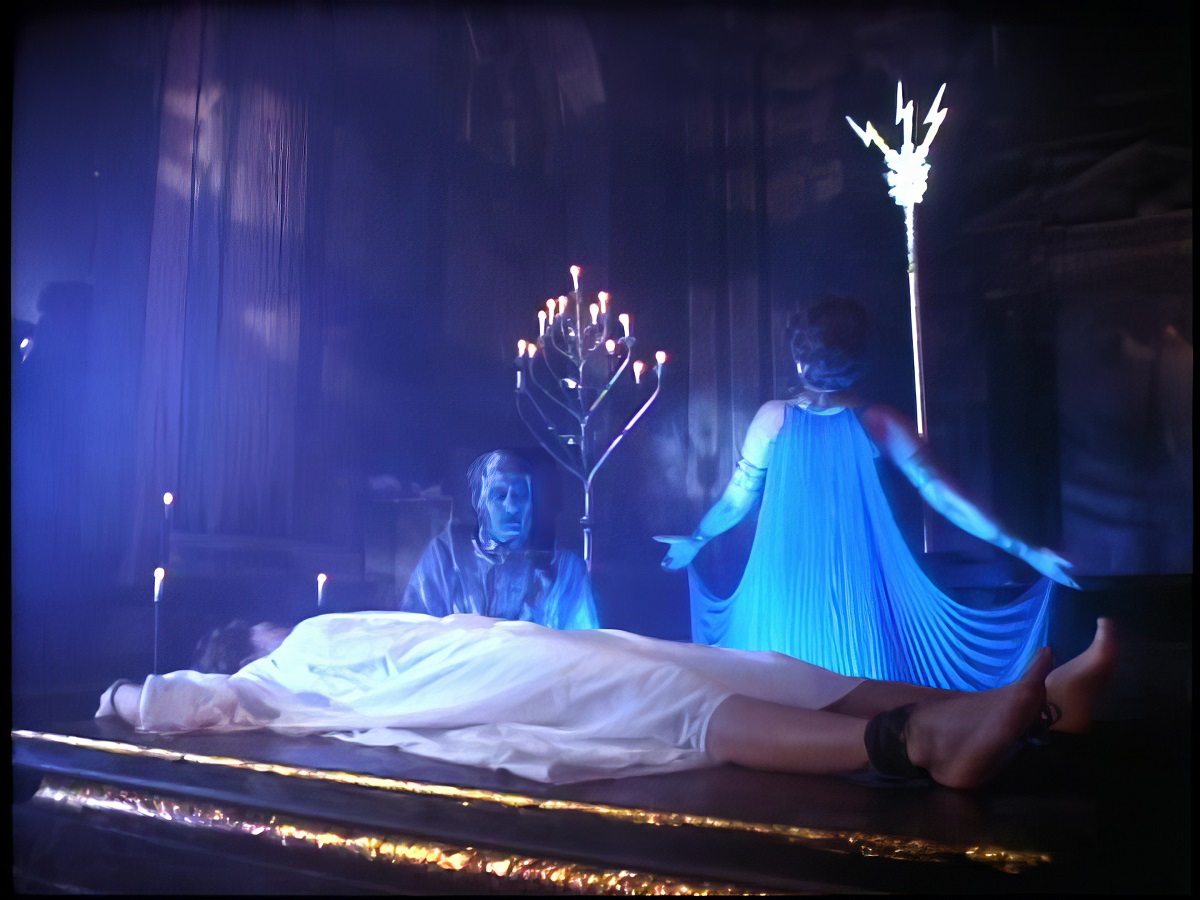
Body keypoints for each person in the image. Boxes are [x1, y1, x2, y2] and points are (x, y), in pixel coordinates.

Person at [96, 611, 1118, 789]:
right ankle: (916, 744)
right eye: (253, 624)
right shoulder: (274, 668)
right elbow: (168, 699)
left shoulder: (315, 639)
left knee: (757, 665)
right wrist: (124, 692)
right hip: (477, 676)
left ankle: (1023, 703)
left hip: (497, 643)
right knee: (654, 695)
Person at [657, 296, 1080, 691]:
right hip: (831, 588)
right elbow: (946, 498)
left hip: (809, 585)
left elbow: (736, 499)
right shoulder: (877, 422)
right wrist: (1026, 549)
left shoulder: (775, 419)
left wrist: (698, 539)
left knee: (802, 692)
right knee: (852, 695)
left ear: (800, 358)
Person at [398, 448, 599, 630]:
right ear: (480, 503)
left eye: (521, 495)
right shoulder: (445, 558)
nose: (512, 507)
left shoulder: (565, 570)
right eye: (500, 496)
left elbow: (582, 646)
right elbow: (415, 634)